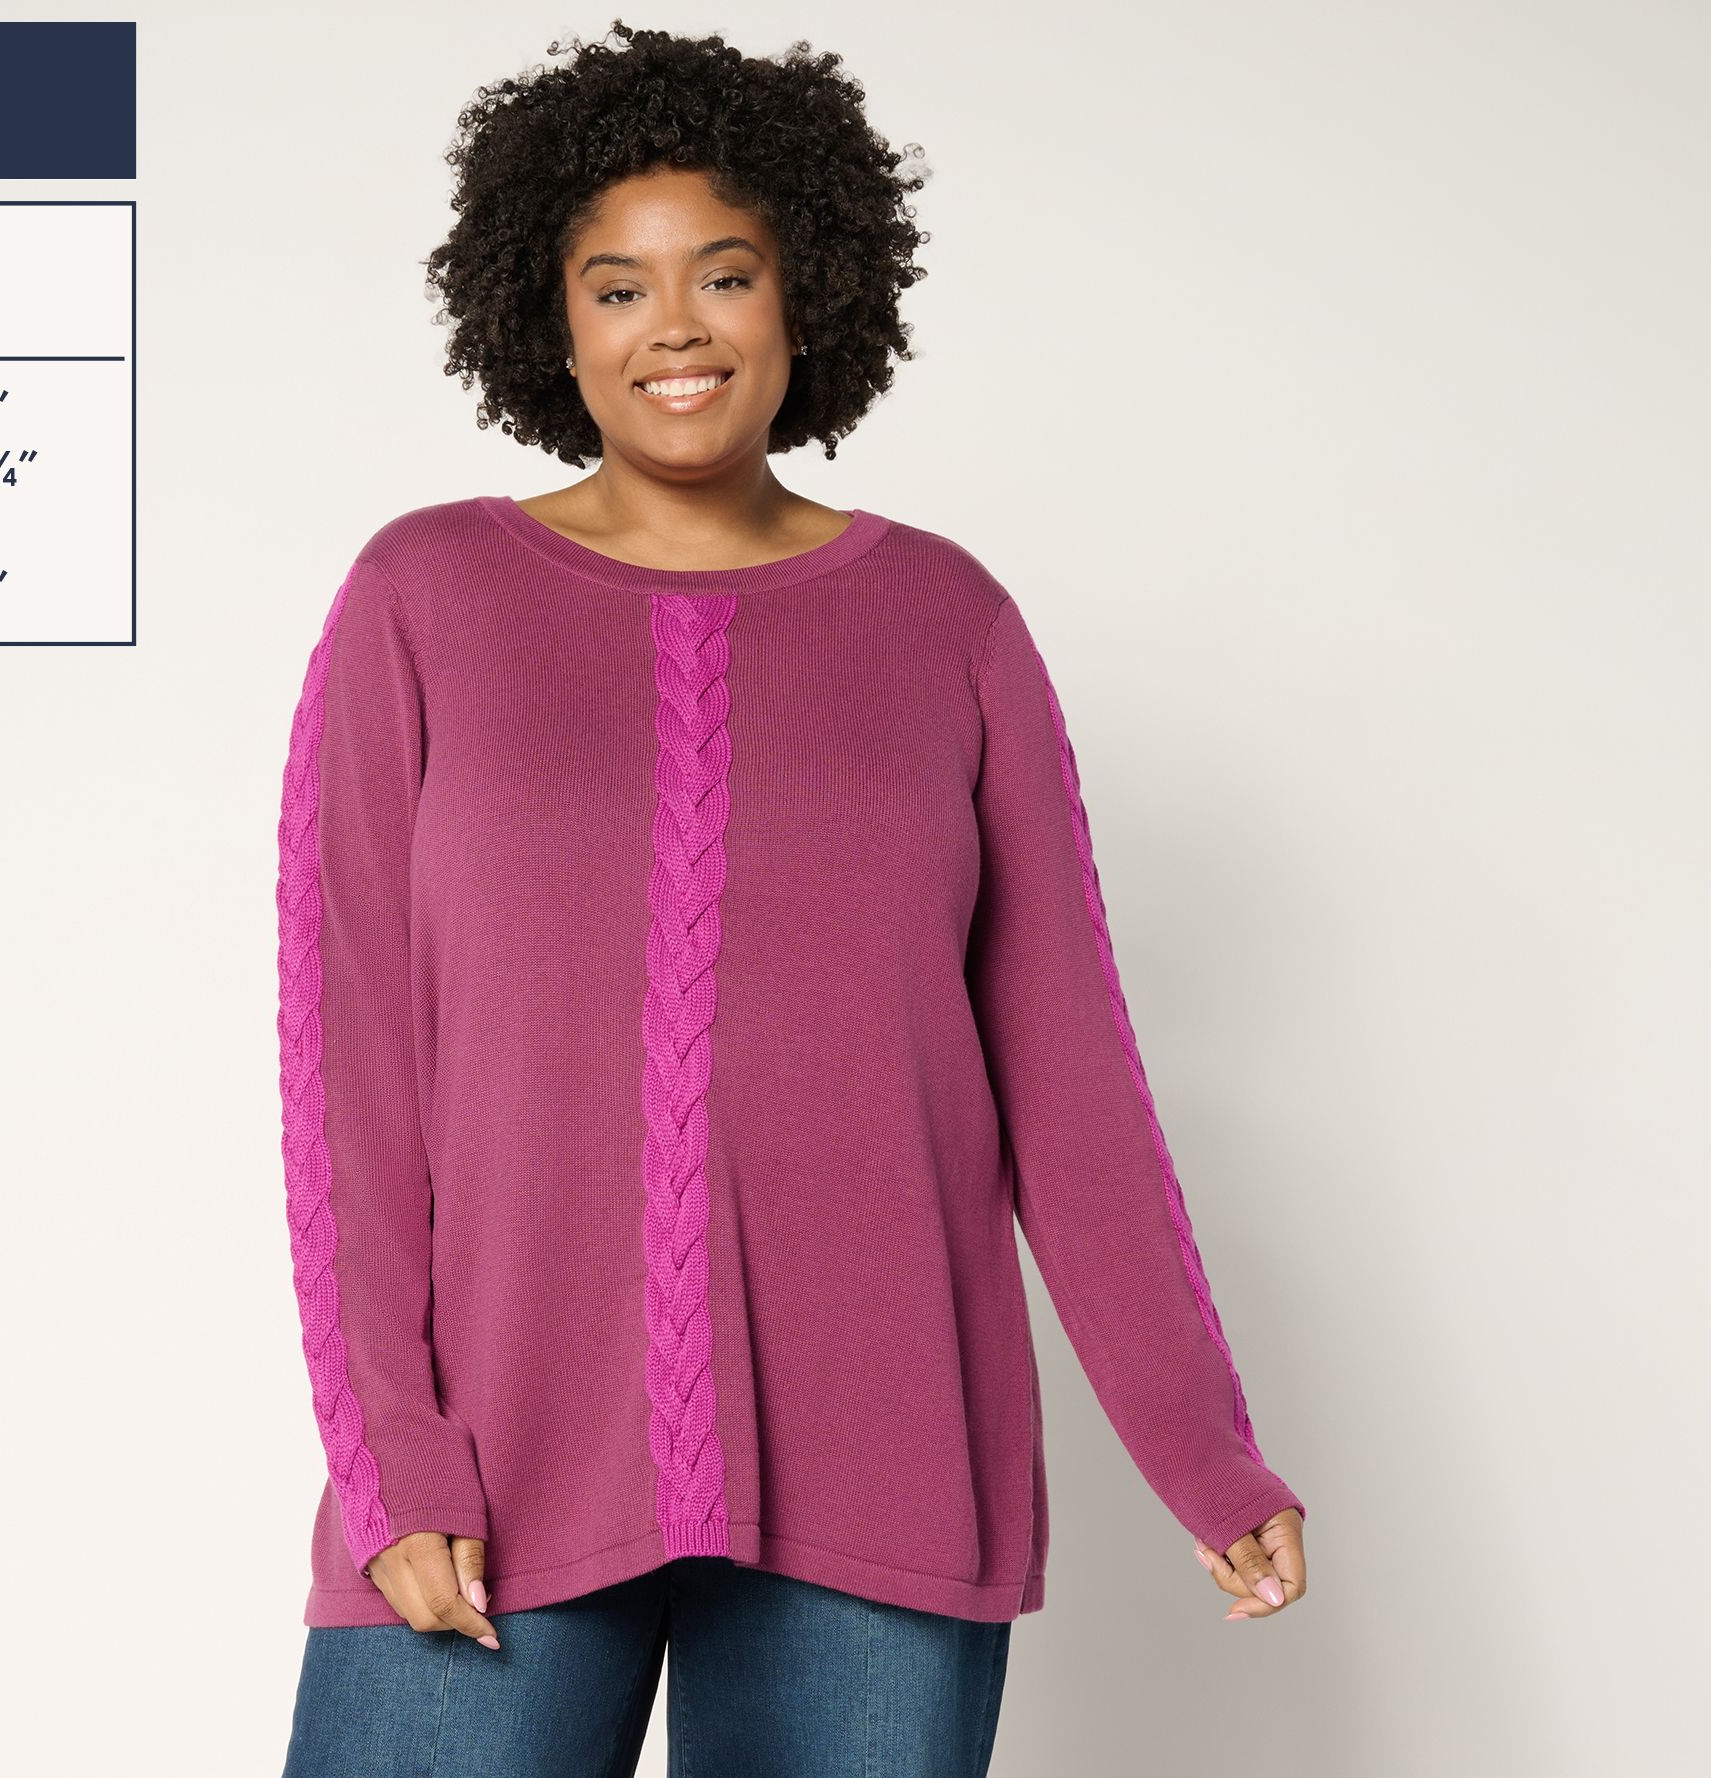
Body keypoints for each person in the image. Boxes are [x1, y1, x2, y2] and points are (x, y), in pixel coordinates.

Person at [275, 21, 1308, 1777]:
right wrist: (394, 1458)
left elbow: (1070, 1082)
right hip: (499, 1462)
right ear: (550, 324)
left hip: (882, 1460)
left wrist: (1203, 1450)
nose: (673, 326)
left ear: (805, 294)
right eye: (617, 287)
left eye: (725, 273)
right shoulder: (422, 598)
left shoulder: (948, 625)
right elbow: (348, 1071)